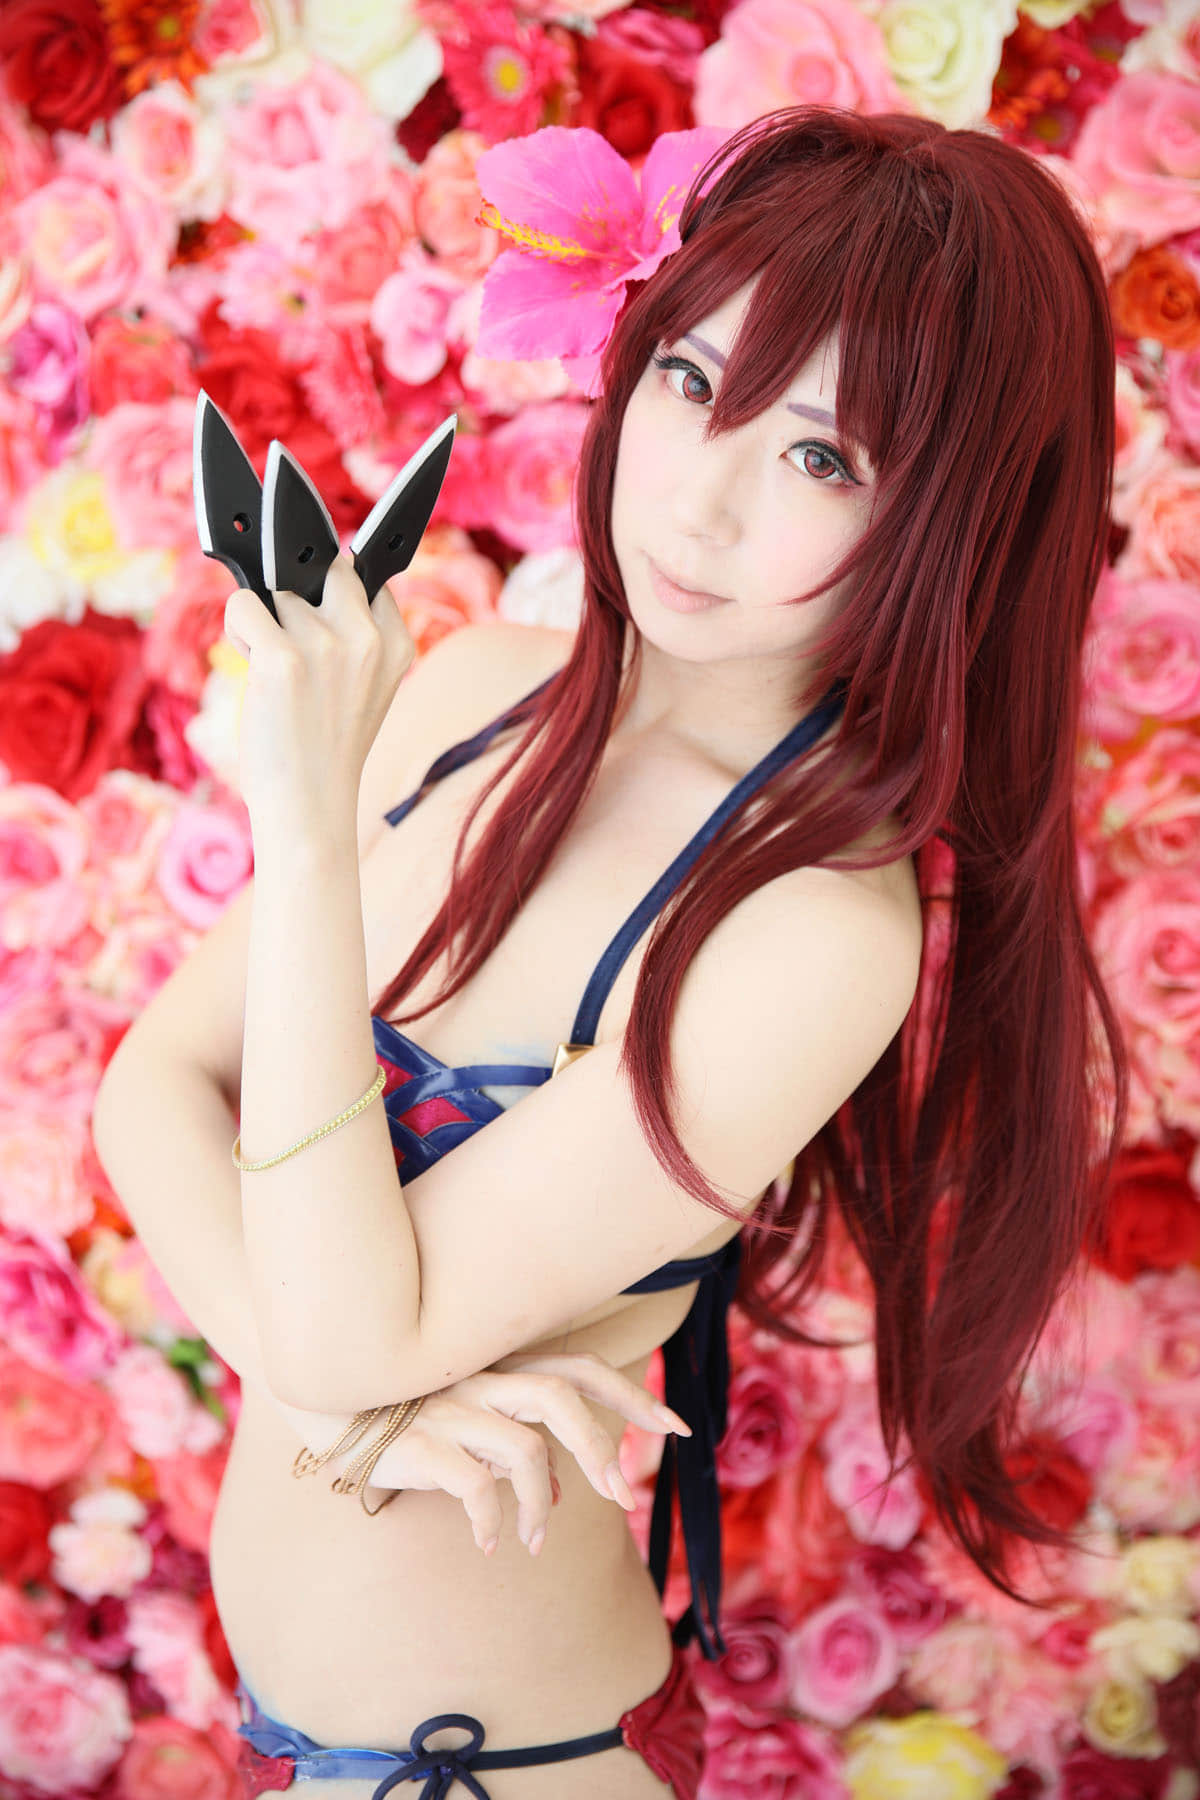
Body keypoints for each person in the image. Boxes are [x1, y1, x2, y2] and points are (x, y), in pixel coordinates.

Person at [94, 103, 1128, 1800]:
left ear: (946, 516)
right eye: (692, 381)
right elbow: (152, 1087)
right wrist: (347, 1402)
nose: (702, 502)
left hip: (504, 1765)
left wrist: (305, 830)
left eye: (823, 458)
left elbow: (347, 1326)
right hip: (290, 1737)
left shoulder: (812, 931)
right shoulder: (466, 690)